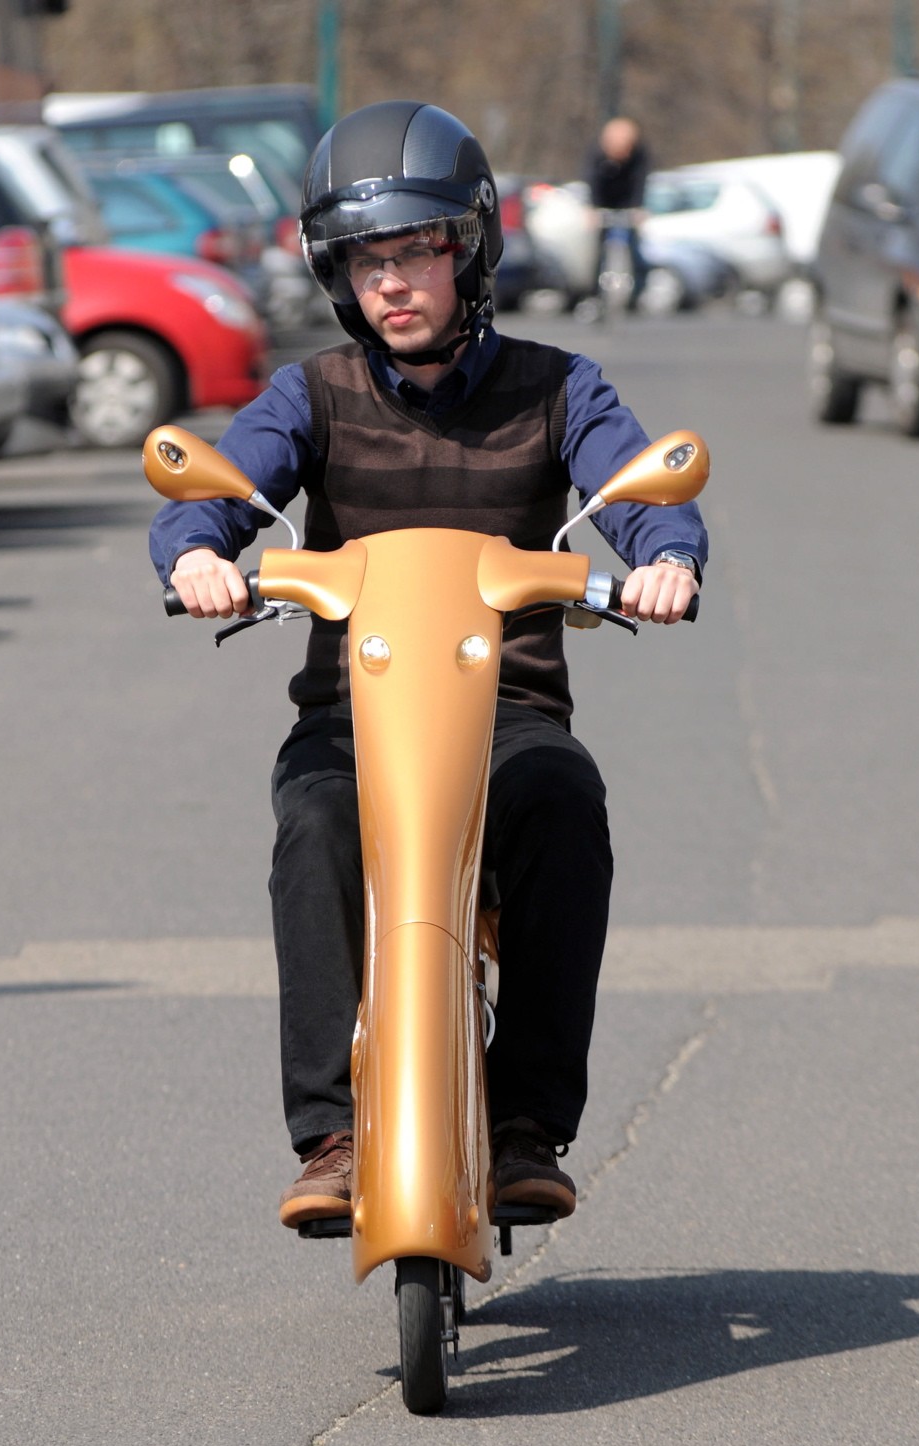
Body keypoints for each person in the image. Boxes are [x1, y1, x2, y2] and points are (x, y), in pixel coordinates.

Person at [149, 100, 707, 1230]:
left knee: (564, 806)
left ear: (471, 251)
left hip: (506, 711)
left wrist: (666, 558)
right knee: (315, 822)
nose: (392, 284)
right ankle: (331, 1135)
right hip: (354, 711)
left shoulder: (560, 387)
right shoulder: (312, 394)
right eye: (366, 262)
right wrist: (199, 550)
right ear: (337, 277)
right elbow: (221, 485)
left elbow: (634, 487)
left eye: (416, 253)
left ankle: (526, 1127)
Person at [584, 115, 652, 309]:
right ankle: (594, 294)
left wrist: (638, 207)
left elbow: (640, 182)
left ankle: (638, 292)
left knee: (634, 246)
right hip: (604, 201)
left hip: (628, 201)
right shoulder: (596, 154)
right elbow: (592, 182)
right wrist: (592, 208)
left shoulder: (640, 154)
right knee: (598, 249)